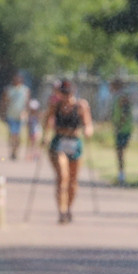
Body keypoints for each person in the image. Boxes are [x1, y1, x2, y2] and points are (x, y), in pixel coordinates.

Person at [42, 79, 94, 224]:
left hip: (74, 143)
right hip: (59, 141)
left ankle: (69, 207)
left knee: (73, 180)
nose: (66, 96)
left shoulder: (81, 106)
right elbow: (47, 121)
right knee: (62, 177)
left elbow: (88, 123)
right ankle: (62, 210)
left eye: (68, 93)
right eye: (63, 93)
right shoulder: (55, 105)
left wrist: (88, 131)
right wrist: (45, 135)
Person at [1, 71, 31, 160]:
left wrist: (26, 113)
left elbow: (27, 103)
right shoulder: (9, 89)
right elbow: (5, 103)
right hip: (11, 115)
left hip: (20, 116)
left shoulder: (25, 90)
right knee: (12, 134)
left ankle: (16, 151)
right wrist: (3, 113)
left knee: (18, 135)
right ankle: (12, 150)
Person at [110, 79, 133, 185]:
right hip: (121, 128)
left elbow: (125, 112)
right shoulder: (118, 96)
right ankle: (121, 175)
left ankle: (122, 176)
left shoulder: (123, 97)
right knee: (119, 152)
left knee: (120, 152)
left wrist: (119, 125)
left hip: (123, 129)